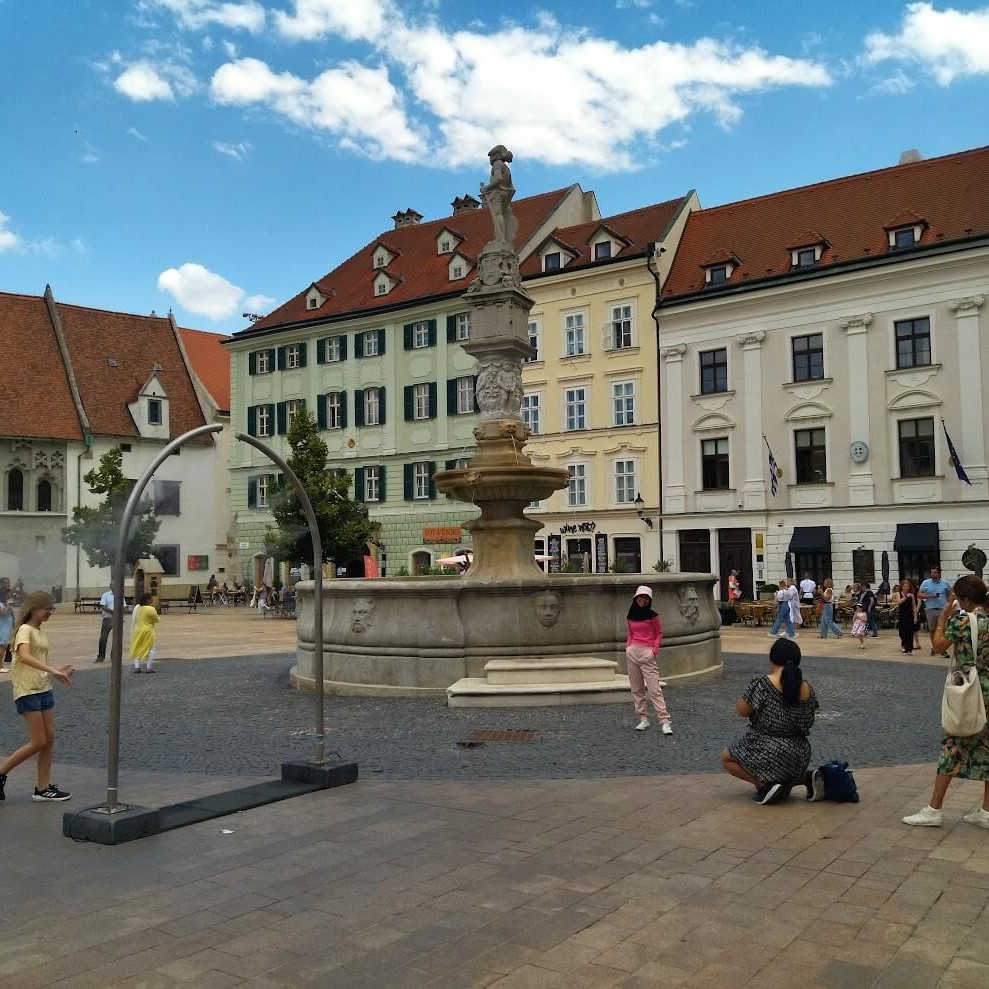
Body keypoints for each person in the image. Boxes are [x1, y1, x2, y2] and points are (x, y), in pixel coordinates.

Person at [903, 576, 989, 829]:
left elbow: (937, 645)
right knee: (986, 750)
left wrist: (942, 619)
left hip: (969, 691)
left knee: (952, 747)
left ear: (964, 599)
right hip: (987, 688)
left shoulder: (963, 620)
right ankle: (986, 811)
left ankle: (934, 809)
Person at [722, 638, 819, 805]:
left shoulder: (762, 684)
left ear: (772, 658)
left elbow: (741, 711)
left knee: (726, 758)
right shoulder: (806, 687)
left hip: (767, 749)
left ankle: (766, 785)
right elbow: (809, 718)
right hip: (800, 752)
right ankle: (804, 778)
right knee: (786, 766)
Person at [0, 591, 75, 802]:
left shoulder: (39, 631)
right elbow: (24, 656)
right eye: (47, 609)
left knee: (49, 739)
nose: (50, 613)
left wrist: (59, 670)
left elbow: (40, 659)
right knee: (38, 741)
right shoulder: (24, 630)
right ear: (34, 608)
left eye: (52, 609)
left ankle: (43, 788)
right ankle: (1, 772)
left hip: (43, 688)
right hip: (27, 690)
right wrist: (54, 671)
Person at [625, 586, 672, 734]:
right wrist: (628, 648)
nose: (643, 600)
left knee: (654, 688)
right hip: (633, 652)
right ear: (636, 598)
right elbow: (630, 633)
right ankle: (643, 718)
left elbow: (659, 634)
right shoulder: (631, 615)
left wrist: (654, 650)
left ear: (649, 600)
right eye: (641, 597)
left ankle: (664, 721)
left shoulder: (653, 616)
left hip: (647, 652)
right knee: (637, 687)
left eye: (646, 598)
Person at [479, 144, 518, 249]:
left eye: (491, 156)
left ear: (496, 155)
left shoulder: (497, 164)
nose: (490, 160)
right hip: (505, 193)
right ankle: (502, 238)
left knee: (497, 215)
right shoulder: (506, 167)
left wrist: (486, 188)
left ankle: (500, 239)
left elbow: (498, 179)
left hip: (497, 192)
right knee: (502, 215)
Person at [920, 566, 951, 658]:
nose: (932, 575)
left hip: (942, 609)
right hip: (931, 609)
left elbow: (950, 595)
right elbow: (919, 594)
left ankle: (942, 649)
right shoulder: (926, 583)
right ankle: (934, 646)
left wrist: (949, 607)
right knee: (932, 629)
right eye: (931, 573)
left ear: (939, 574)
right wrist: (930, 596)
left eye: (935, 573)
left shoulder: (945, 583)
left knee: (943, 629)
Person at [130, 592, 160, 673]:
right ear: (147, 600)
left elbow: (133, 618)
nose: (152, 599)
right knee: (151, 649)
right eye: (151, 597)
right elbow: (157, 620)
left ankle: (137, 667)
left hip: (137, 630)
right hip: (148, 631)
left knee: (137, 647)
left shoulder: (137, 607)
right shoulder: (151, 609)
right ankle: (149, 667)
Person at [896, 578, 920, 654]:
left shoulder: (912, 595)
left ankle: (909, 648)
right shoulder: (898, 593)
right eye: (905, 586)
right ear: (902, 587)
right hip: (902, 614)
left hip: (909, 615)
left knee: (910, 632)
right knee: (902, 632)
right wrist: (906, 597)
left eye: (908, 586)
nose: (906, 588)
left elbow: (914, 606)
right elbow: (899, 602)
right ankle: (904, 644)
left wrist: (915, 616)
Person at [95, 584, 114, 663]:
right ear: (111, 586)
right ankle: (101, 656)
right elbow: (103, 606)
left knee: (116, 640)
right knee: (103, 638)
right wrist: (113, 612)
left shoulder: (120, 595)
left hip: (117, 619)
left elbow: (123, 606)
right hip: (107, 619)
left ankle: (114, 656)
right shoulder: (106, 595)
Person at [0, 586, 13, 673]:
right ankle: (0, 665)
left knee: (4, 646)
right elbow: (3, 612)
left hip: (7, 627)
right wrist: (9, 605)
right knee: (2, 646)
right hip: (3, 627)